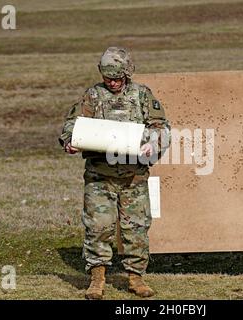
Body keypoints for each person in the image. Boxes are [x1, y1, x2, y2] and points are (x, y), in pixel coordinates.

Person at [58, 47, 171, 299]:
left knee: (136, 227)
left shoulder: (142, 95)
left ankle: (135, 278)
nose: (112, 82)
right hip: (100, 177)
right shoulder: (93, 96)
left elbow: (161, 127)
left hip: (134, 178)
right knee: (98, 227)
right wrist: (69, 140)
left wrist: (153, 143)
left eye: (117, 78)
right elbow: (71, 124)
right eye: (108, 77)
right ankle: (97, 280)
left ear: (127, 73)